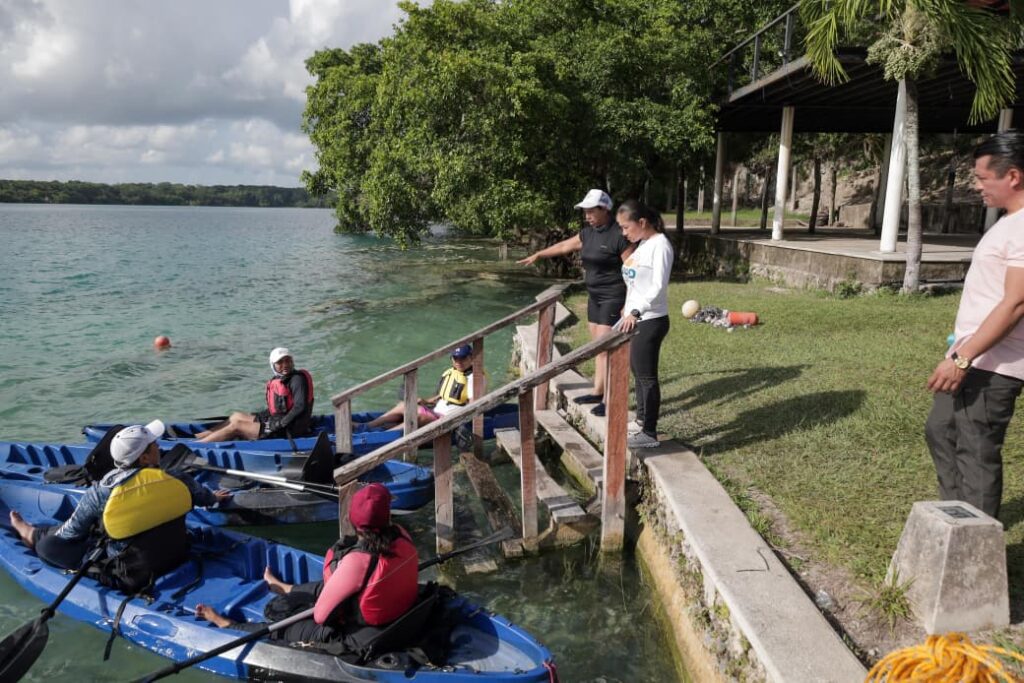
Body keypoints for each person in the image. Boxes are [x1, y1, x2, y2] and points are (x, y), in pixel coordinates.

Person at [925, 131, 1024, 519]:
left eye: (983, 178)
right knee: (942, 430)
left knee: (975, 449)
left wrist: (962, 359)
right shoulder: (1009, 222)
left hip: (994, 363)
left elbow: (1016, 303)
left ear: (1012, 176)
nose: (977, 186)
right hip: (973, 355)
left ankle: (977, 540)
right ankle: (953, 521)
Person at [9, 420, 231, 589]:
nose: (158, 446)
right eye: (153, 444)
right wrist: (215, 498)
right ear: (144, 458)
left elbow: (69, 533)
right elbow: (204, 497)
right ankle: (34, 533)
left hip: (131, 576)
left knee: (49, 545)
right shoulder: (176, 478)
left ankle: (32, 534)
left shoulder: (101, 492)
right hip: (177, 554)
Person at [195, 482, 419, 645]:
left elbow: (321, 617)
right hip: (395, 609)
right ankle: (284, 587)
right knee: (331, 586)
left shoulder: (357, 562)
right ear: (388, 516)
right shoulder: (401, 535)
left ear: (353, 519)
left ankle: (226, 624)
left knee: (281, 629)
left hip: (357, 629)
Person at [519, 189, 634, 416]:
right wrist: (539, 254)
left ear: (605, 209)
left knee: (606, 348)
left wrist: (629, 304)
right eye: (585, 211)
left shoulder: (619, 235)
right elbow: (564, 246)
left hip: (614, 296)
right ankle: (598, 391)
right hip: (595, 297)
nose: (587, 215)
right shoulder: (587, 233)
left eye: (591, 211)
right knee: (597, 348)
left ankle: (610, 400)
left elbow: (633, 271)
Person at [613, 200, 673, 449]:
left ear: (642, 222)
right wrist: (627, 308)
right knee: (638, 373)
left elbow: (658, 286)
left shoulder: (661, 246)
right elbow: (636, 283)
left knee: (647, 377)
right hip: (635, 317)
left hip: (650, 320)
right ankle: (640, 421)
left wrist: (636, 311)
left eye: (626, 227)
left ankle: (649, 433)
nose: (623, 233)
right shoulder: (644, 244)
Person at [196, 347, 314, 443]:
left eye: (288, 360)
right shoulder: (280, 379)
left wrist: (280, 424)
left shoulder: (297, 380)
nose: (285, 365)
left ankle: (199, 446)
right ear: (273, 365)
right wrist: (259, 416)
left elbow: (300, 406)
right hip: (276, 420)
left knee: (236, 425)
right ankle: (199, 437)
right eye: (280, 362)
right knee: (236, 416)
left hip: (288, 429)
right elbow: (279, 408)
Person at [360, 344, 480, 430]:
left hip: (447, 420)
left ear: (471, 357)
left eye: (463, 358)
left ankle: (384, 435)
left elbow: (473, 405)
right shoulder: (454, 373)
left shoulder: (474, 378)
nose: (459, 361)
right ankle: (367, 426)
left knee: (418, 417)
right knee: (404, 405)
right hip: (435, 412)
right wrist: (426, 401)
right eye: (455, 358)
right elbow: (444, 396)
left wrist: (459, 422)